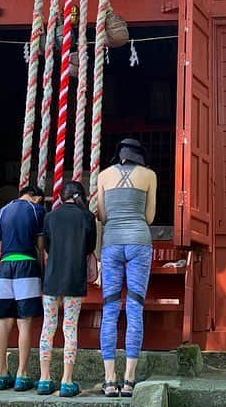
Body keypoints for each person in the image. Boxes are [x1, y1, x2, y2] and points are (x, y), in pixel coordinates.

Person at [97, 138, 157, 398]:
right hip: (139, 243)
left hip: (111, 243)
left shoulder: (103, 175)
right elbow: (150, 216)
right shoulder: (149, 175)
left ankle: (109, 380)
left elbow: (102, 214)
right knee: (134, 307)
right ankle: (129, 379)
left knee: (110, 309)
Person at [37, 180, 97, 397]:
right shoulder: (87, 217)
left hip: (52, 278)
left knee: (48, 326)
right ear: (80, 196)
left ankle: (44, 380)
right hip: (74, 277)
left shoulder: (50, 217)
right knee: (69, 328)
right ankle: (66, 380)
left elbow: (48, 247)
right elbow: (89, 247)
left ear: (61, 197)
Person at [0, 183, 46, 391]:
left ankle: (0, 374)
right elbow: (40, 245)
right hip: (26, 264)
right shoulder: (37, 209)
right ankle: (22, 374)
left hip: (4, 265)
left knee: (4, 322)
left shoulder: (3, 210)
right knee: (24, 323)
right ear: (35, 197)